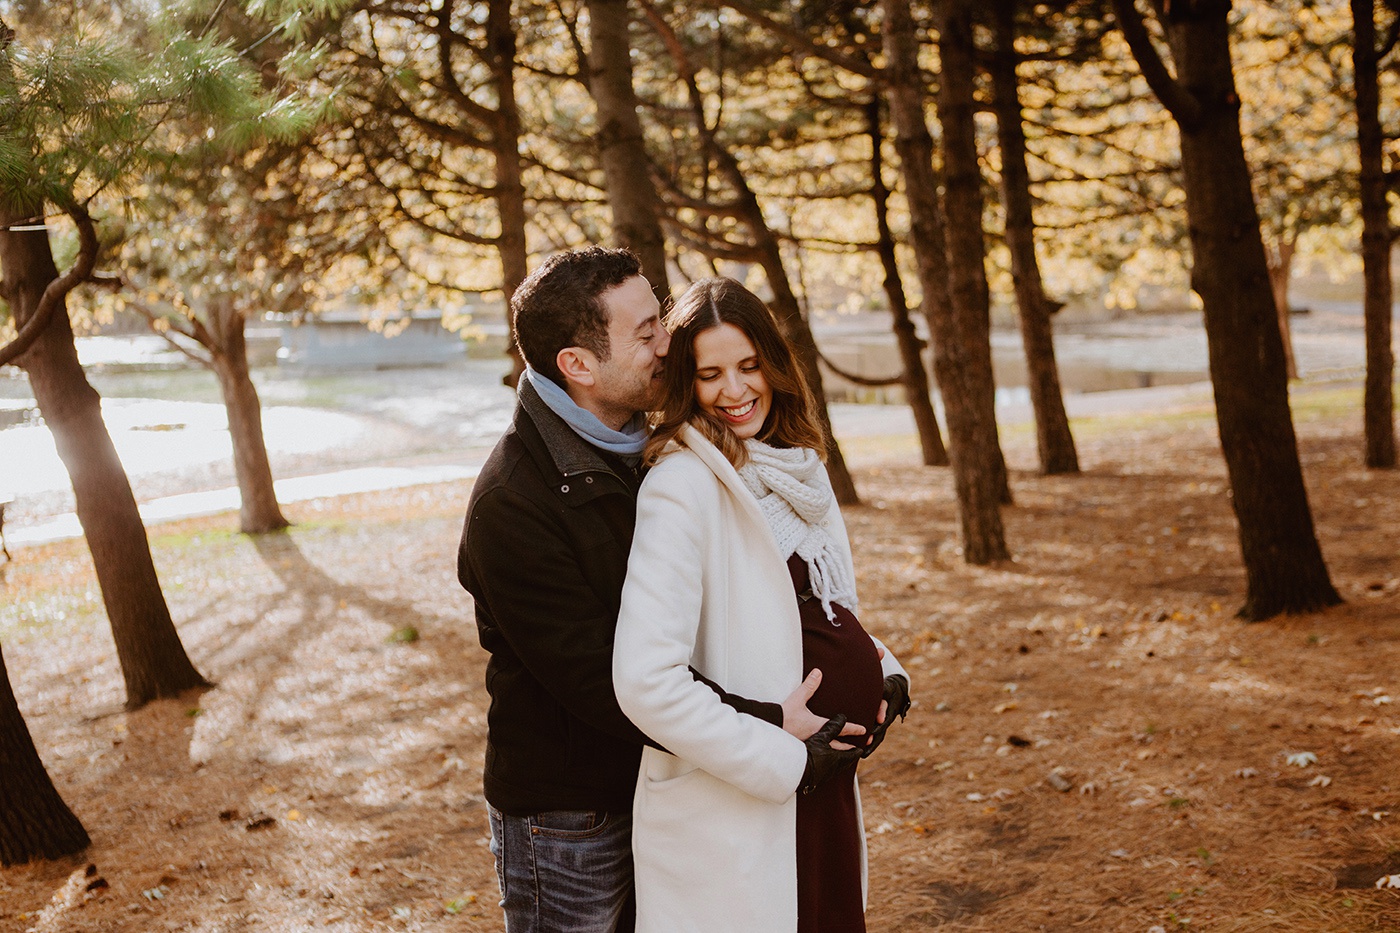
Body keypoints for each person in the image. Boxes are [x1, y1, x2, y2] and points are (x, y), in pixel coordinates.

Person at [458, 249, 848, 933]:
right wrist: (764, 724)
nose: (669, 342)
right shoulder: (512, 503)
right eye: (646, 333)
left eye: (660, 318)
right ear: (579, 365)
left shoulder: (658, 445)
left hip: (670, 781)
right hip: (571, 814)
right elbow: (606, 681)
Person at [613, 277, 912, 933]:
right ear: (686, 382)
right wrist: (786, 757)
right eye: (711, 373)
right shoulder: (681, 485)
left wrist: (884, 670)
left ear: (775, 365)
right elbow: (644, 681)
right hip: (747, 799)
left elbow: (826, 607)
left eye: (750, 366)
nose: (736, 390)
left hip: (827, 788)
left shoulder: (798, 467)